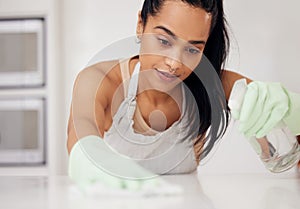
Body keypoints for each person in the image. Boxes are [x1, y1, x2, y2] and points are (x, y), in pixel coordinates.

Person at [67, 0, 300, 190]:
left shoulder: (214, 86)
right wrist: (91, 158)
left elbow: (287, 134)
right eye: (163, 41)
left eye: (192, 49)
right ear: (141, 24)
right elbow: (80, 131)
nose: (174, 63)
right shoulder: (101, 80)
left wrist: (289, 110)